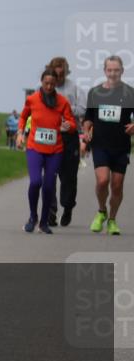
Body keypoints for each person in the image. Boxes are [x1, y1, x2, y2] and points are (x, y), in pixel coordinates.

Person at [17, 68, 76, 234]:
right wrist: (20, 133)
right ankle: (32, 217)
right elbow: (23, 117)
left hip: (55, 150)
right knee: (36, 182)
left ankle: (44, 222)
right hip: (34, 148)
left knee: (49, 186)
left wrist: (68, 126)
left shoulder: (62, 102)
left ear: (56, 83)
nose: (49, 86)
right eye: (46, 83)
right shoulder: (32, 99)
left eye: (52, 83)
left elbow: (72, 123)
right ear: (41, 82)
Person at [84, 55, 134, 235]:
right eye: (110, 70)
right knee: (103, 180)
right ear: (105, 71)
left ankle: (112, 219)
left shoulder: (130, 93)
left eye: (116, 70)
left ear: (122, 71)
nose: (113, 73)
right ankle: (101, 211)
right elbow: (88, 117)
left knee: (117, 186)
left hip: (121, 146)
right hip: (100, 144)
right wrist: (86, 130)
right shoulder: (95, 92)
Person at [46, 57, 85, 226]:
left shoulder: (74, 88)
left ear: (66, 71)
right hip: (50, 135)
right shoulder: (46, 87)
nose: (59, 76)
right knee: (49, 174)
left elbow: (83, 108)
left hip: (69, 136)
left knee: (68, 176)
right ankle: (51, 211)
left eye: (62, 72)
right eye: (56, 72)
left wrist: (65, 107)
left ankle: (67, 206)